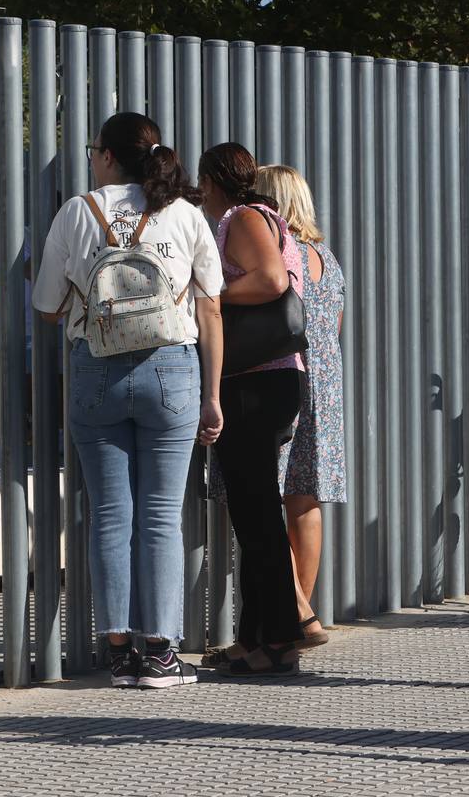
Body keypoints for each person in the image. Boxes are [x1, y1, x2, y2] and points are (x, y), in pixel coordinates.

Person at [33, 112, 224, 689]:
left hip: (96, 373)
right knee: (163, 514)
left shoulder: (78, 210)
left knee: (111, 514)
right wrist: (212, 396)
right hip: (171, 372)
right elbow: (211, 309)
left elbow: (46, 306)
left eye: (94, 150)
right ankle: (161, 653)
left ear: (109, 156)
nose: (91, 159)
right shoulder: (186, 214)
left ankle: (119, 653)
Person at [198, 142, 306, 676]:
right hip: (262, 379)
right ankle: (257, 636)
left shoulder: (242, 216)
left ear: (213, 183)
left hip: (258, 380)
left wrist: (211, 292)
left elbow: (271, 280)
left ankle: (278, 640)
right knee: (252, 511)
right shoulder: (255, 214)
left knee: (257, 514)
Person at [254, 164, 346, 651]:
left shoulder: (271, 255)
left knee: (262, 500)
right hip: (324, 390)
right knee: (305, 500)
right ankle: (298, 618)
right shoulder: (326, 257)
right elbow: (334, 329)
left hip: (282, 378)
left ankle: (300, 615)